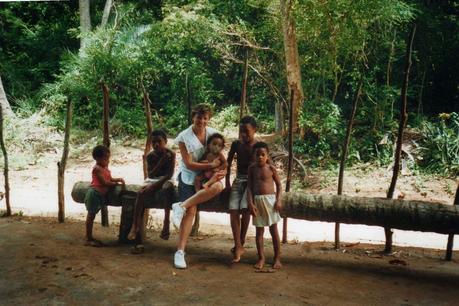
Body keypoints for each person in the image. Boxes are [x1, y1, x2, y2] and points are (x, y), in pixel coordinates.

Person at [171, 103, 225, 269]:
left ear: (209, 119)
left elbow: (221, 156)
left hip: (208, 175)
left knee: (218, 187)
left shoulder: (211, 133)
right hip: (189, 175)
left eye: (205, 118)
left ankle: (181, 205)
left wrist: (221, 170)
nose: (201, 121)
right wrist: (210, 166)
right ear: (193, 117)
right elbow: (188, 163)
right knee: (192, 211)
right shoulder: (183, 137)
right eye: (199, 117)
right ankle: (180, 252)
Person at [127, 130, 176, 253]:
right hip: (152, 179)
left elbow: (169, 175)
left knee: (167, 189)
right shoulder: (150, 156)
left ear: (165, 142)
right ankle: (135, 225)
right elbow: (151, 174)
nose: (156, 144)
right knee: (140, 193)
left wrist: (154, 187)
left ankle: (166, 223)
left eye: (159, 142)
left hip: (166, 179)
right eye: (153, 142)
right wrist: (161, 162)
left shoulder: (172, 154)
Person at [225, 115, 258, 263]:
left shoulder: (258, 147)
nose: (243, 134)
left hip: (251, 183)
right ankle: (238, 244)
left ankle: (241, 243)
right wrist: (226, 182)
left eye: (246, 131)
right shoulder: (236, 145)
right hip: (238, 180)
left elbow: (266, 164)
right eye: (241, 131)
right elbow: (228, 163)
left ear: (254, 130)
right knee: (233, 210)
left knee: (245, 210)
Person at [247, 142, 282, 270]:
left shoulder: (271, 168)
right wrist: (250, 203)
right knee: (259, 232)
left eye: (263, 154)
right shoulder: (251, 169)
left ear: (267, 156)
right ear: (254, 156)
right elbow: (249, 188)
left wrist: (278, 200)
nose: (260, 157)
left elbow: (279, 185)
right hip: (257, 202)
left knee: (274, 231)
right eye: (257, 155)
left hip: (271, 202)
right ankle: (261, 258)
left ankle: (277, 258)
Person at [84, 145, 125, 247]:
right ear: (97, 159)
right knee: (91, 216)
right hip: (94, 194)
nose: (108, 160)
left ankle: (89, 237)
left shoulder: (105, 167)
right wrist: (115, 184)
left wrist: (118, 179)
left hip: (99, 195)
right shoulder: (97, 169)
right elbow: (104, 182)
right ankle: (88, 238)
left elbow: (110, 179)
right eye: (105, 158)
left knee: (92, 215)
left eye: (108, 158)